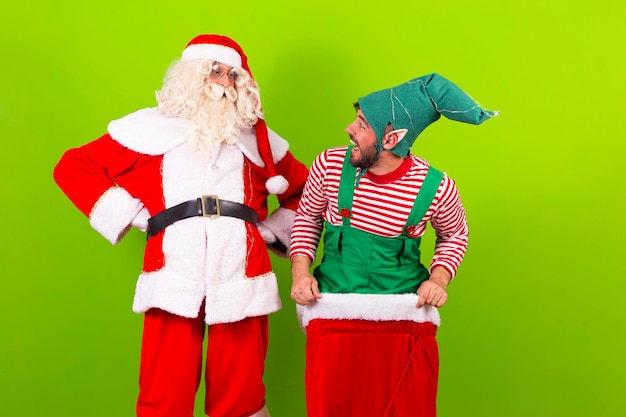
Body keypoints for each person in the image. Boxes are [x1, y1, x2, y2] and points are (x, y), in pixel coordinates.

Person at [53, 34, 309, 417]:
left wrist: (270, 232)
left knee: (241, 393)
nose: (221, 82)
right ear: (191, 74)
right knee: (164, 392)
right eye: (213, 70)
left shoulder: (259, 141)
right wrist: (133, 215)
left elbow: (306, 190)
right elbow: (73, 167)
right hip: (173, 271)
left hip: (243, 272)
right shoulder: (146, 131)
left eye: (230, 75)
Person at [289, 73, 499, 416]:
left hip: (404, 328)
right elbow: (306, 218)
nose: (349, 129)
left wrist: (438, 280)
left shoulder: (435, 186)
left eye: (361, 124)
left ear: (391, 138)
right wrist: (300, 273)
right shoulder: (328, 164)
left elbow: (455, 234)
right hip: (332, 319)